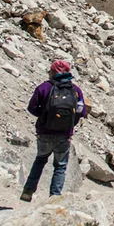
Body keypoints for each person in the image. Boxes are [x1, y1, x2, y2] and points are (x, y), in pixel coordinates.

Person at [20, 60, 89, 202]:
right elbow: (82, 111)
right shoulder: (75, 90)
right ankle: (54, 197)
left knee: (40, 160)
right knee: (60, 167)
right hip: (64, 134)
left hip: (44, 132)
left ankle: (28, 190)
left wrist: (44, 116)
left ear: (53, 72)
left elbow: (32, 107)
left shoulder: (44, 88)